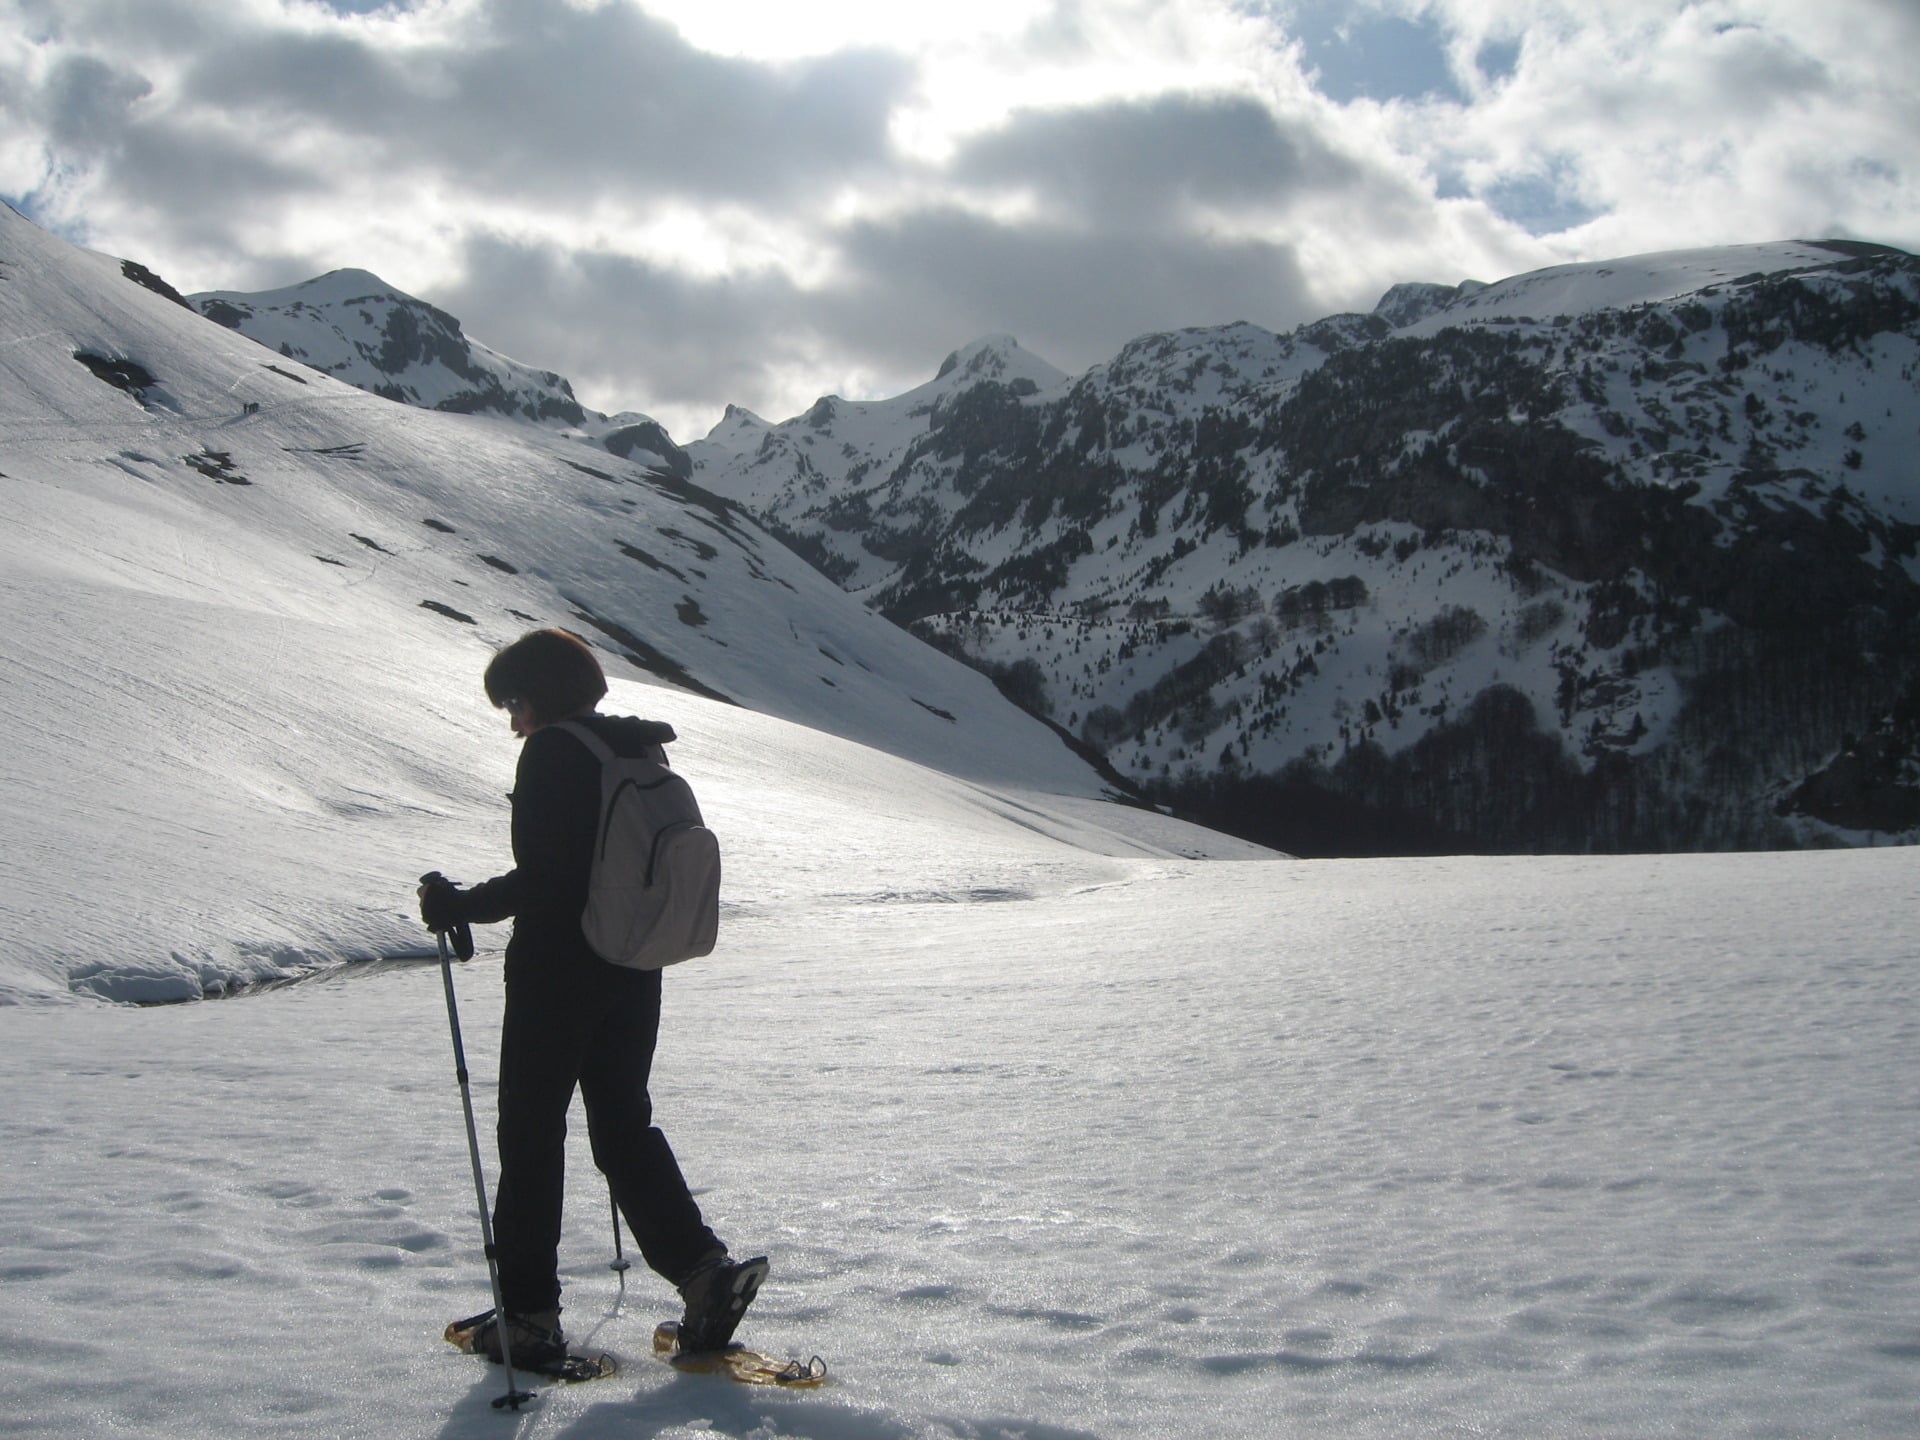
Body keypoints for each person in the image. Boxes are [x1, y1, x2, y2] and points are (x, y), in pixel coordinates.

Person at [418, 628, 764, 1367]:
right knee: (622, 1127)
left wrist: (459, 906)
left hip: (557, 970)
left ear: (539, 694)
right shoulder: (637, 750)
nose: (512, 720)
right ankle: (705, 1276)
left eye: (514, 702)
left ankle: (530, 1317)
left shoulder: (553, 753)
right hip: (635, 966)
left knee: (532, 1135)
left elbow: (547, 877)